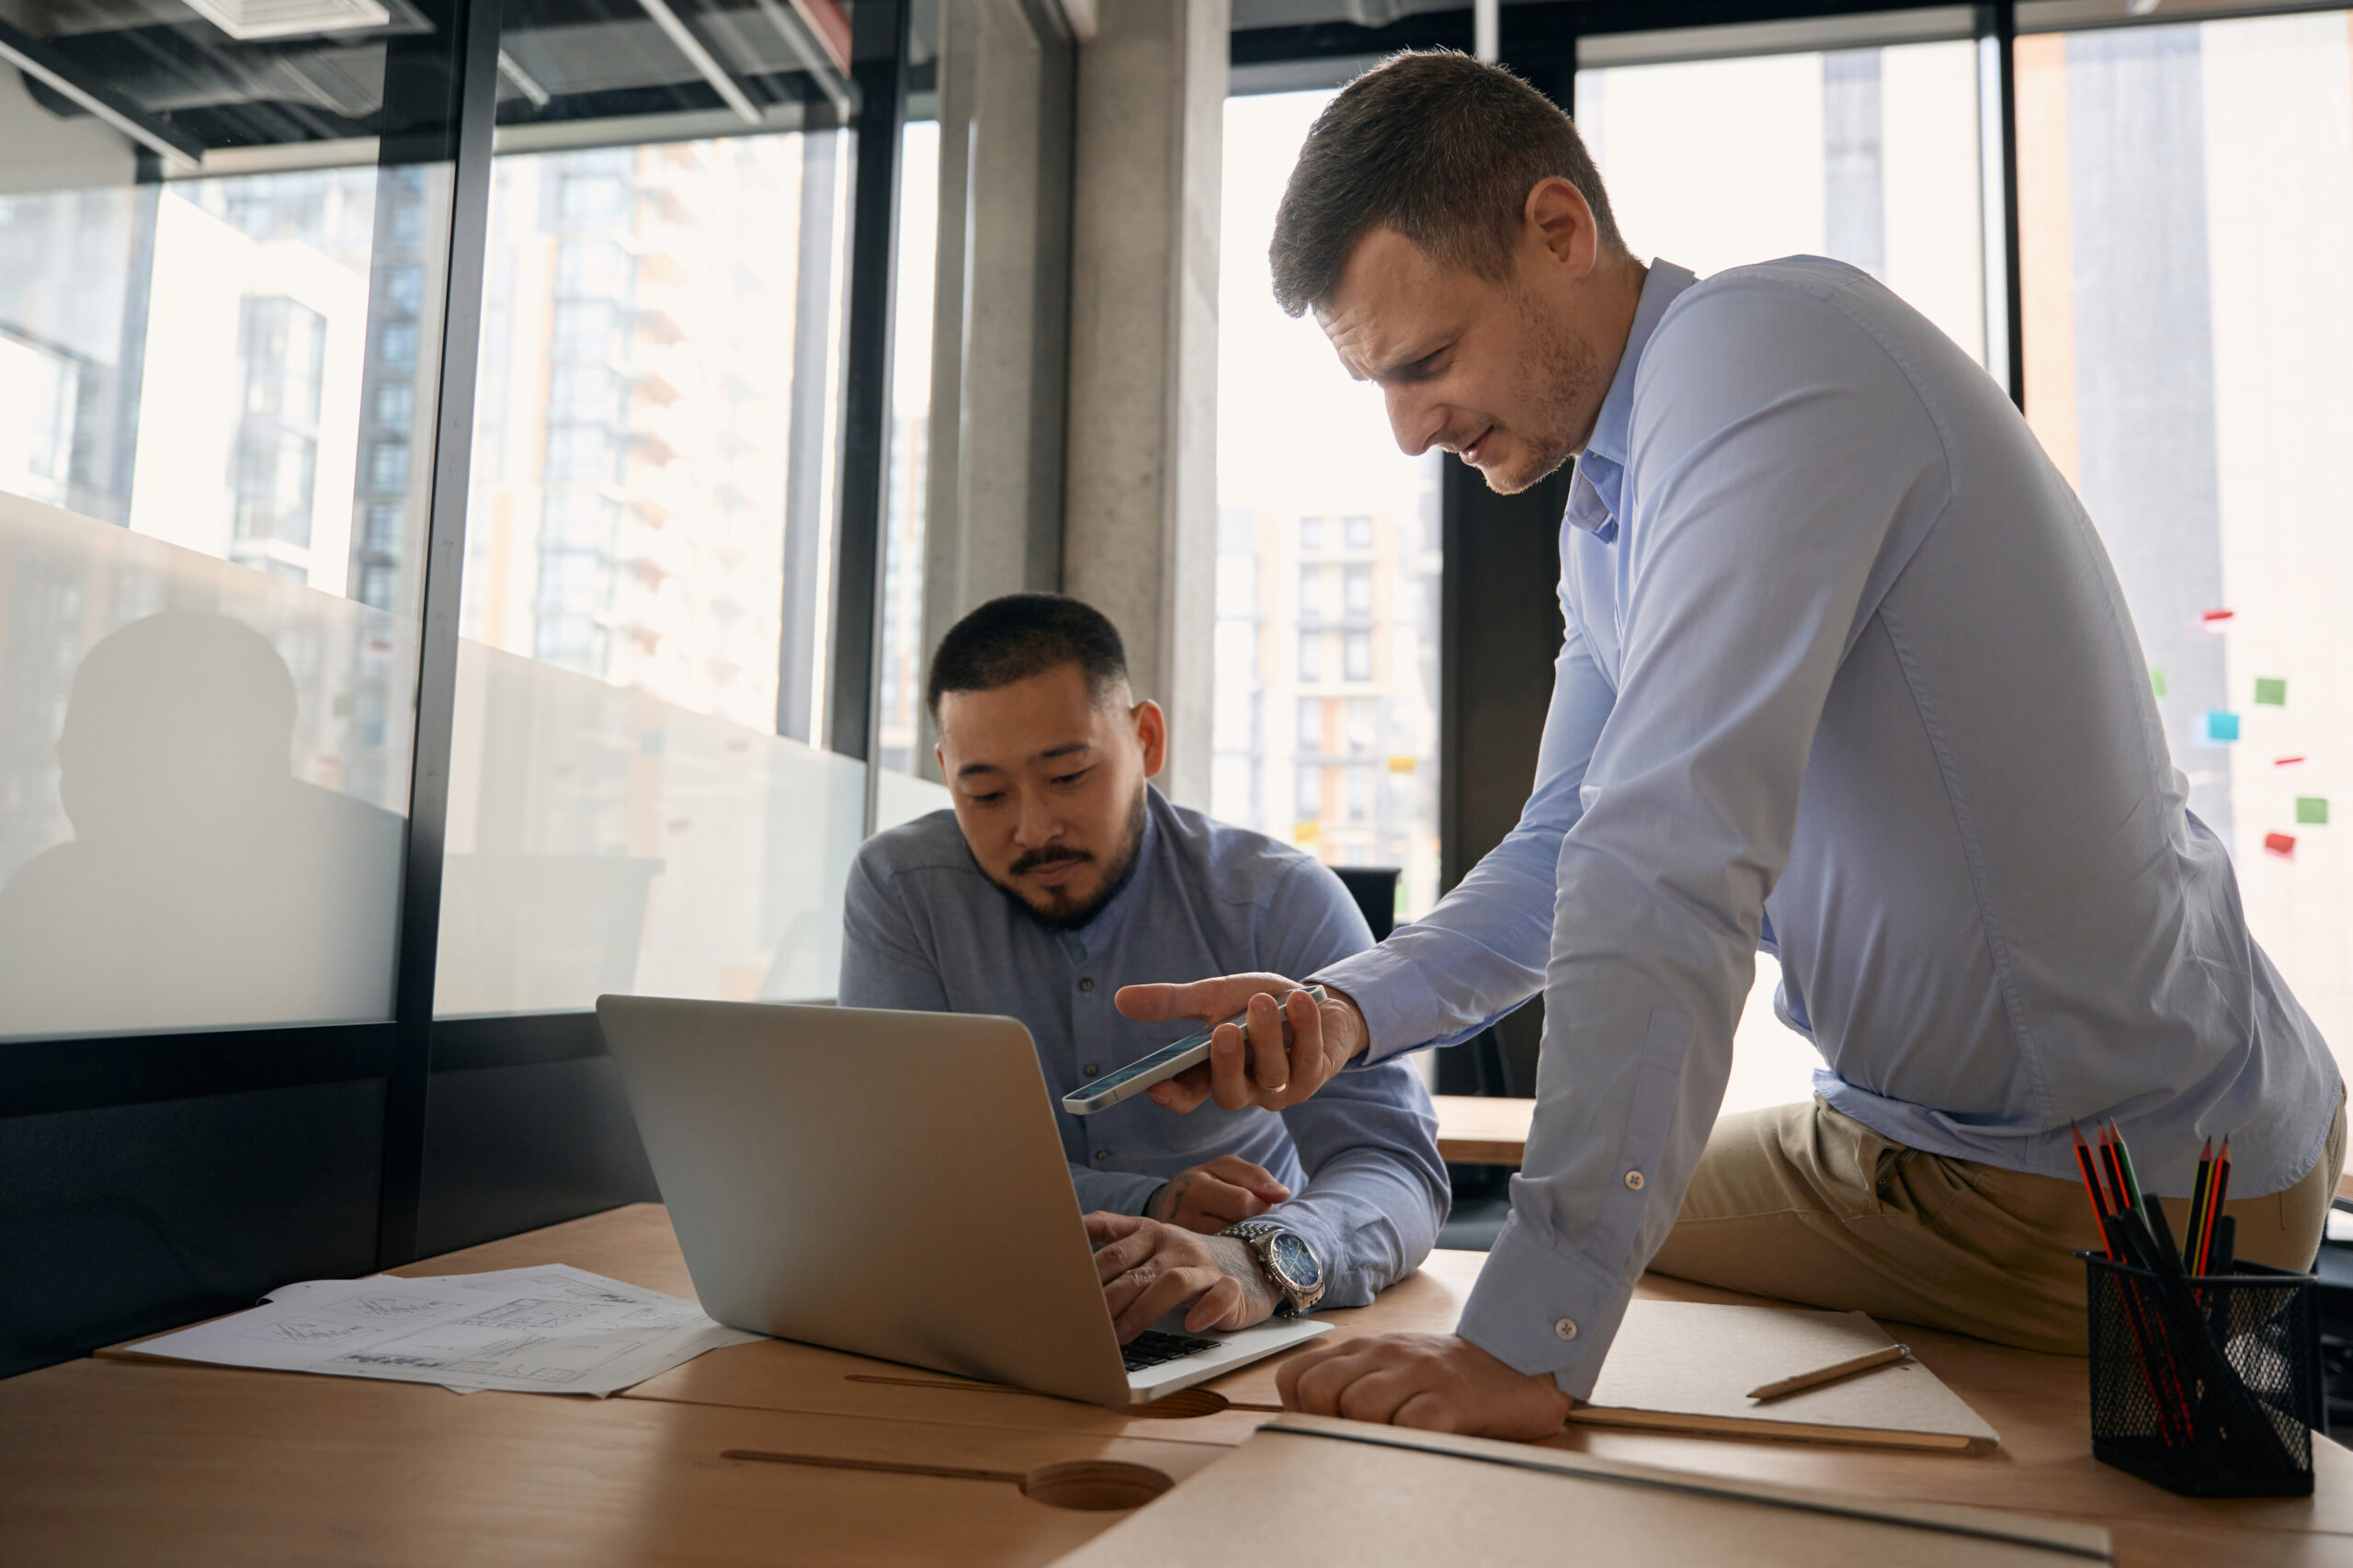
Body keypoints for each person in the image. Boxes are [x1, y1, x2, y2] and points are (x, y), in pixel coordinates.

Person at [1117, 51, 2343, 1437]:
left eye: (1430, 362)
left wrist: (1529, 1351)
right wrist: (1343, 1009)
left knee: (1527, 1301)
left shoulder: (1765, 362)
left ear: (1559, 231)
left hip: (2125, 1183)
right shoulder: (1613, 510)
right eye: (1381, 387)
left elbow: (1667, 856)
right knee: (1496, 1239)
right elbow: (1560, 859)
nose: (1410, 432)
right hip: (1894, 1143)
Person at [838, 592, 1448, 1342]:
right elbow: (909, 1163)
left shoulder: (1279, 901)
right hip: (988, 1313)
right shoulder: (901, 891)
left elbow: (1395, 1167)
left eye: (1067, 776)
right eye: (985, 793)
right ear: (945, 774)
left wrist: (1255, 1258)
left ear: (1147, 740)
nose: (1033, 829)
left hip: (1229, 1321)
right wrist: (1153, 1201)